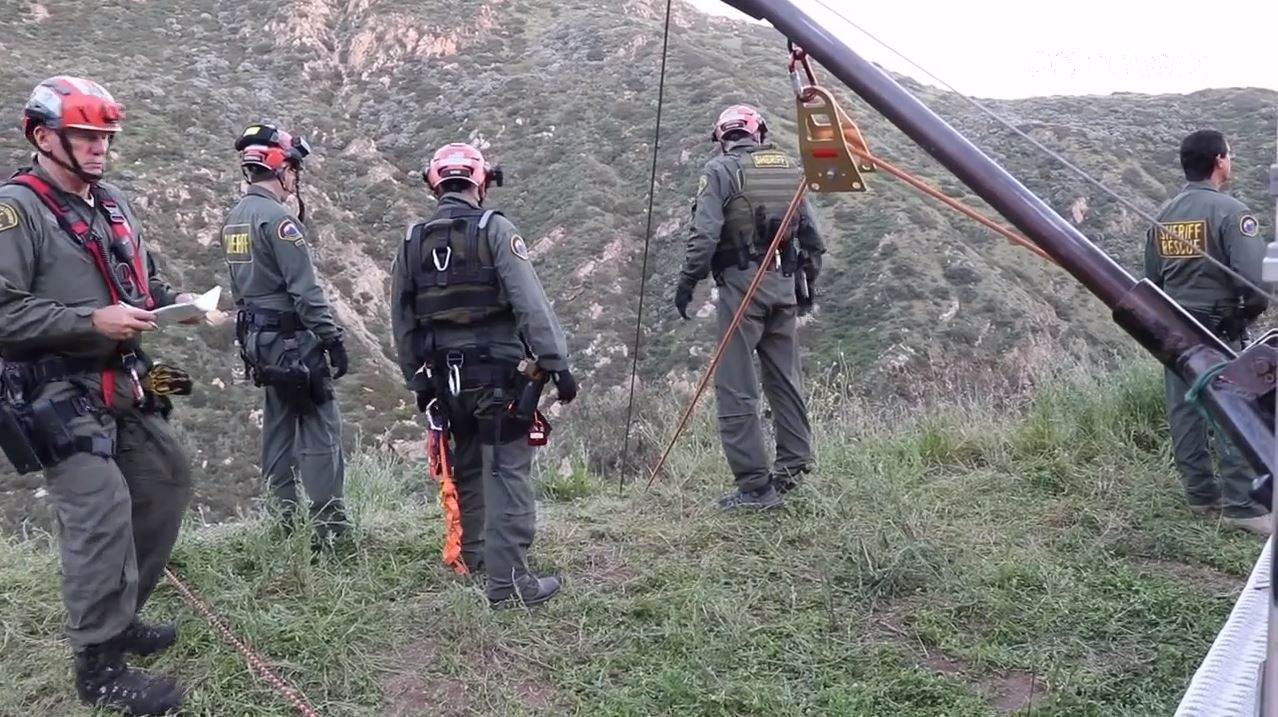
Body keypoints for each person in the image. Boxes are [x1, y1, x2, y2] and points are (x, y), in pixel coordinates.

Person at [0, 75, 199, 715]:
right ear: (42, 136)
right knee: (100, 514)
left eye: (105, 136)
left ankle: (121, 614)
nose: (99, 147)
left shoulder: (110, 204)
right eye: (85, 135)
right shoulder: (17, 211)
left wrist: (179, 305)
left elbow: (143, 279)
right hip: (51, 391)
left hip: (124, 379)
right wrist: (89, 323)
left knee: (166, 480)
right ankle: (98, 666)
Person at [389, 142, 577, 607]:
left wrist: (420, 383)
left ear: (435, 183)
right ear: (481, 182)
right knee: (507, 471)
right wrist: (558, 364)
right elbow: (530, 304)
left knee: (468, 464)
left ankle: (473, 558)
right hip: (498, 377)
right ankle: (510, 584)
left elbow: (402, 321)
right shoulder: (496, 230)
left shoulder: (413, 240)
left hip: (444, 382)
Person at [674, 104, 825, 511]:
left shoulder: (721, 171)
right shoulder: (788, 168)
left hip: (743, 285)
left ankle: (756, 488)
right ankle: (793, 471)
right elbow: (813, 237)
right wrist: (806, 287)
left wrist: (688, 283)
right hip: (785, 283)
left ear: (723, 137)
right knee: (785, 379)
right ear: (759, 133)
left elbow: (705, 237)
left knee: (736, 385)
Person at [219, 122, 351, 548]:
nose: (295, 176)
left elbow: (241, 288)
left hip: (260, 342)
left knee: (278, 428)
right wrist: (331, 338)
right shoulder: (279, 221)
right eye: (292, 167)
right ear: (278, 167)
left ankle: (282, 524)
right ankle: (329, 531)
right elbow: (305, 291)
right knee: (319, 430)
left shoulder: (235, 219)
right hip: (294, 341)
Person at [1143, 128, 1271, 535]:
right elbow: (1254, 282)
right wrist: (1244, 317)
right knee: (1237, 405)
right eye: (1229, 155)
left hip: (1172, 323)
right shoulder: (1232, 213)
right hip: (1219, 326)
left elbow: (1152, 280)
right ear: (1219, 161)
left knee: (1184, 408)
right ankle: (1243, 507)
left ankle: (1200, 495)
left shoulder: (1163, 215)